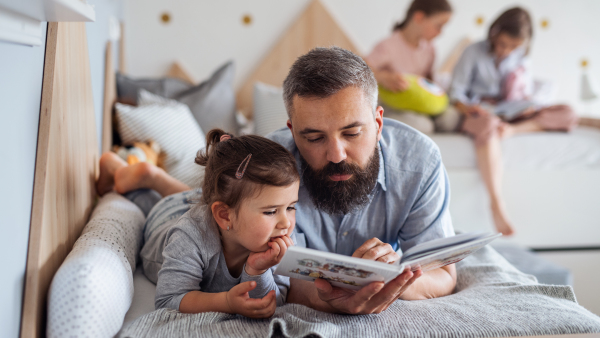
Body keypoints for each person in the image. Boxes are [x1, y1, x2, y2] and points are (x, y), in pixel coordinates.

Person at [98, 46, 457, 315]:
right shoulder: (272, 164)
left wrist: (394, 281)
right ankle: (147, 176)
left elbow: (442, 274)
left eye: (352, 132)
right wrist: (332, 301)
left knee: (205, 202)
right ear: (292, 132)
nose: (335, 154)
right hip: (202, 211)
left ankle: (152, 175)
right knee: (200, 207)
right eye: (314, 137)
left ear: (378, 123)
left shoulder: (420, 162)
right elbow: (279, 276)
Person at [97, 129, 300, 318]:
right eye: (271, 211)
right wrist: (226, 302)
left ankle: (155, 176)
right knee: (154, 200)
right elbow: (169, 299)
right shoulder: (187, 238)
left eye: (291, 207)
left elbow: (276, 299)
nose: (285, 223)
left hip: (206, 204)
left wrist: (259, 271)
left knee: (203, 197)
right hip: (168, 218)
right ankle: (135, 172)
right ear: (225, 216)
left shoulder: (279, 238)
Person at [447, 7, 578, 236]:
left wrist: (528, 102)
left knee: (568, 113)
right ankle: (496, 203)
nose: (507, 51)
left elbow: (522, 91)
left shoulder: (521, 57)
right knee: (487, 126)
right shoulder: (473, 52)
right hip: (478, 112)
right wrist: (471, 107)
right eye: (503, 44)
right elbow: (454, 94)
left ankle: (511, 131)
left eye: (513, 47)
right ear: (495, 33)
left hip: (511, 112)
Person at [365, 0, 457, 134]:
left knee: (451, 118)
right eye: (438, 26)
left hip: (417, 103)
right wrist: (383, 77)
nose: (440, 32)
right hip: (394, 104)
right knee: (422, 125)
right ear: (419, 17)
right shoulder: (388, 46)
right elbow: (362, 69)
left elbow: (428, 81)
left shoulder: (430, 50)